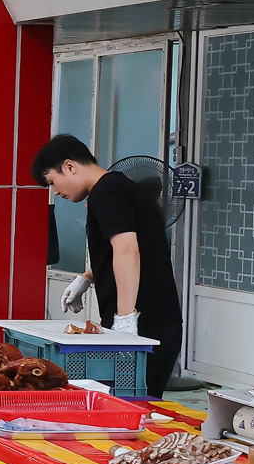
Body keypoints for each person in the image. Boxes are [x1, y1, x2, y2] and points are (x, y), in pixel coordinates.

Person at [33, 133, 184, 393]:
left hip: (145, 325)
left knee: (131, 403)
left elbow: (127, 250)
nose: (56, 192)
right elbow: (138, 248)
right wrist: (88, 277)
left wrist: (126, 319)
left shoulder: (106, 193)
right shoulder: (121, 187)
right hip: (159, 322)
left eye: (52, 182)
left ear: (69, 166)